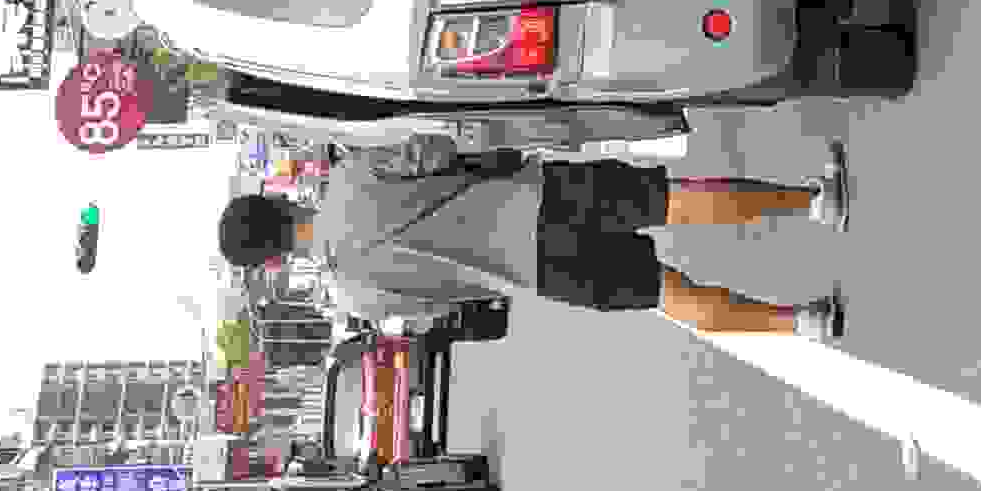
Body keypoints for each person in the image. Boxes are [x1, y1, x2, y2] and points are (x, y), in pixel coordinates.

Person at [221, 132, 855, 343]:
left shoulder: (356, 298)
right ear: (279, 200)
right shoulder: (350, 178)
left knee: (665, 293)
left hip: (540, 272)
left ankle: (798, 323)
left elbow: (440, 310)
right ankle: (812, 203)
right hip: (536, 195)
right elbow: (438, 150)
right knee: (672, 200)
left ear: (274, 261)